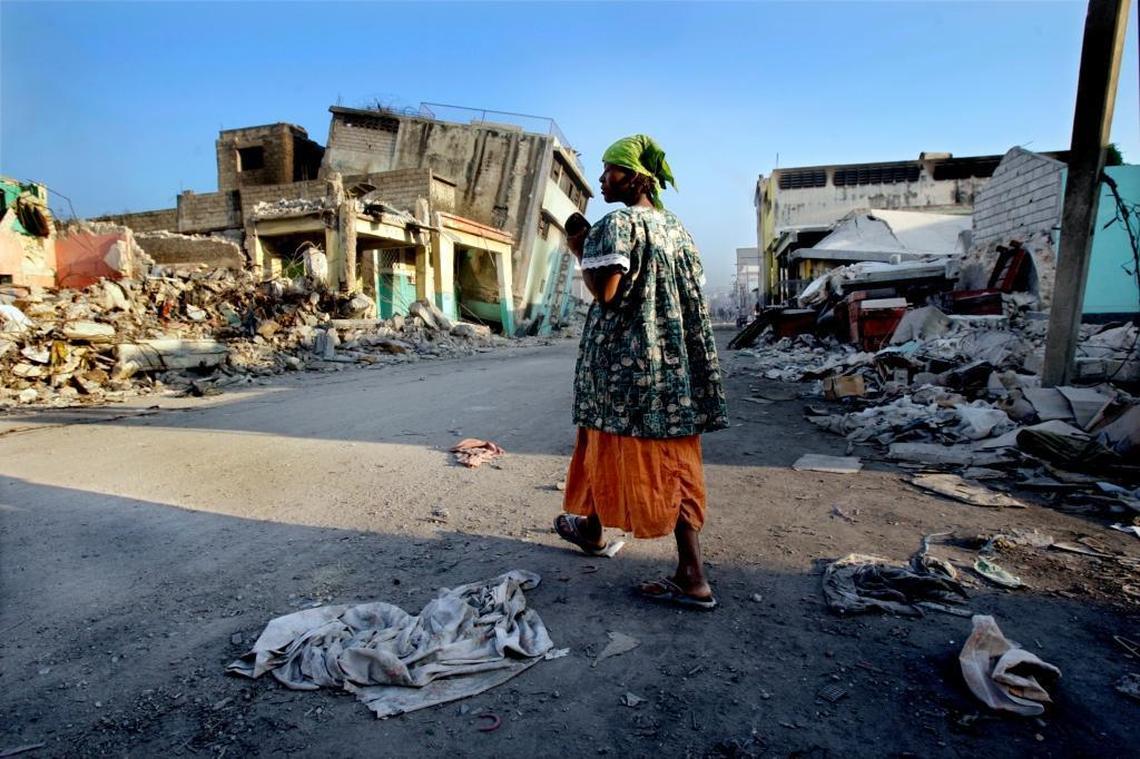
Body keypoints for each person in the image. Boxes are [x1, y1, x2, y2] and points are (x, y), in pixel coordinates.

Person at [553, 135, 729, 610]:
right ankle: (591, 530)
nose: (602, 179)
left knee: (613, 442)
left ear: (635, 177)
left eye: (610, 170)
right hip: (672, 367)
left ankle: (693, 577)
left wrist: (578, 247)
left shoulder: (617, 224)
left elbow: (607, 294)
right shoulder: (677, 229)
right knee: (671, 458)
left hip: (623, 366)